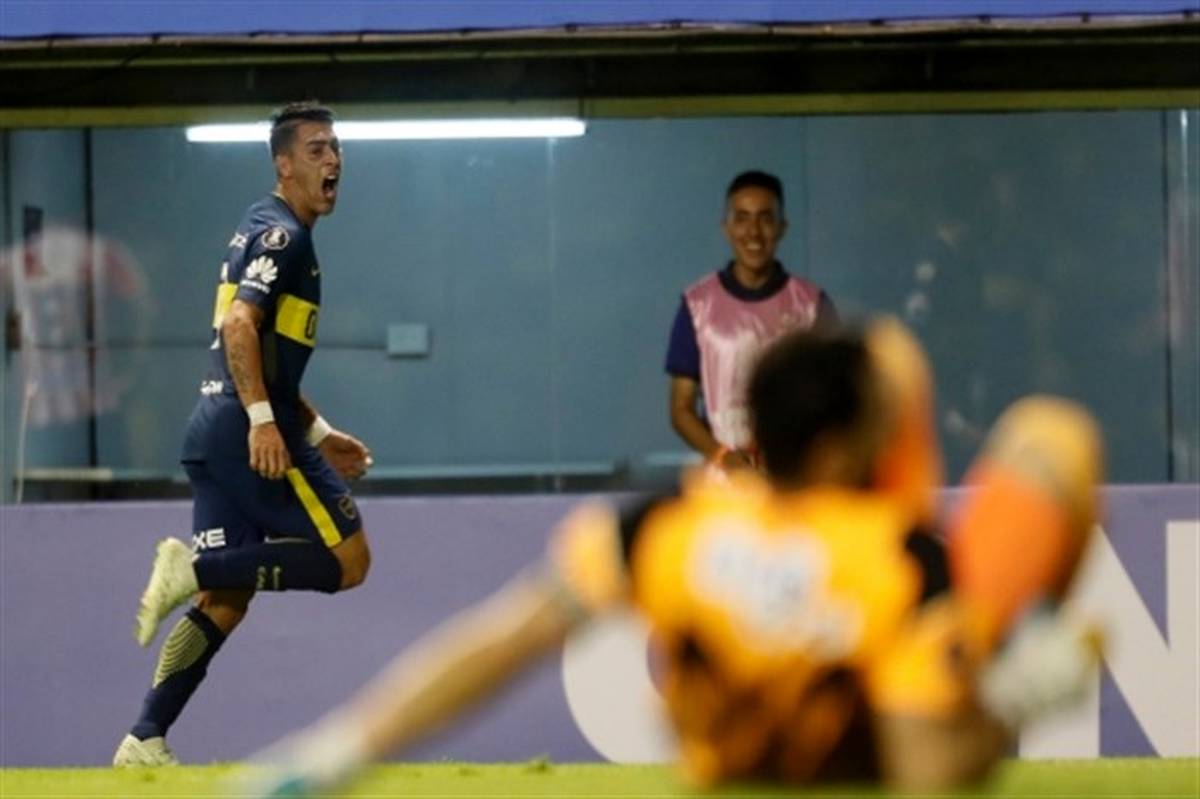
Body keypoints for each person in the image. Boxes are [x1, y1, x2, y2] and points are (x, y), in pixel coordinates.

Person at [238, 318, 1103, 796]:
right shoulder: (904, 564)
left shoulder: (667, 526)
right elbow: (932, 773)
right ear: (844, 451)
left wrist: (338, 748)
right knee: (1050, 436)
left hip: (728, 748)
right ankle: (1009, 644)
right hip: (867, 735)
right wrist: (1010, 701)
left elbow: (503, 639)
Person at [112, 101, 373, 767]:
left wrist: (318, 429)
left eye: (336, 148)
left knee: (224, 601)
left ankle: (144, 737)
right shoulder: (286, 237)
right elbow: (238, 328)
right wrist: (263, 420)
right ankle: (190, 567)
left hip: (211, 431)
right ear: (284, 166)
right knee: (349, 561)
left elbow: (260, 352)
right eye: (316, 150)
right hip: (242, 429)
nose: (333, 160)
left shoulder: (258, 224)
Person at [666, 170, 838, 472]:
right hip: (723, 488)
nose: (754, 232)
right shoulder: (698, 305)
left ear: (782, 227)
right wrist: (727, 460)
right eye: (742, 218)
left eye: (765, 219)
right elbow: (681, 409)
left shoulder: (812, 306)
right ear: (726, 227)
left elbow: (835, 403)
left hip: (793, 483)